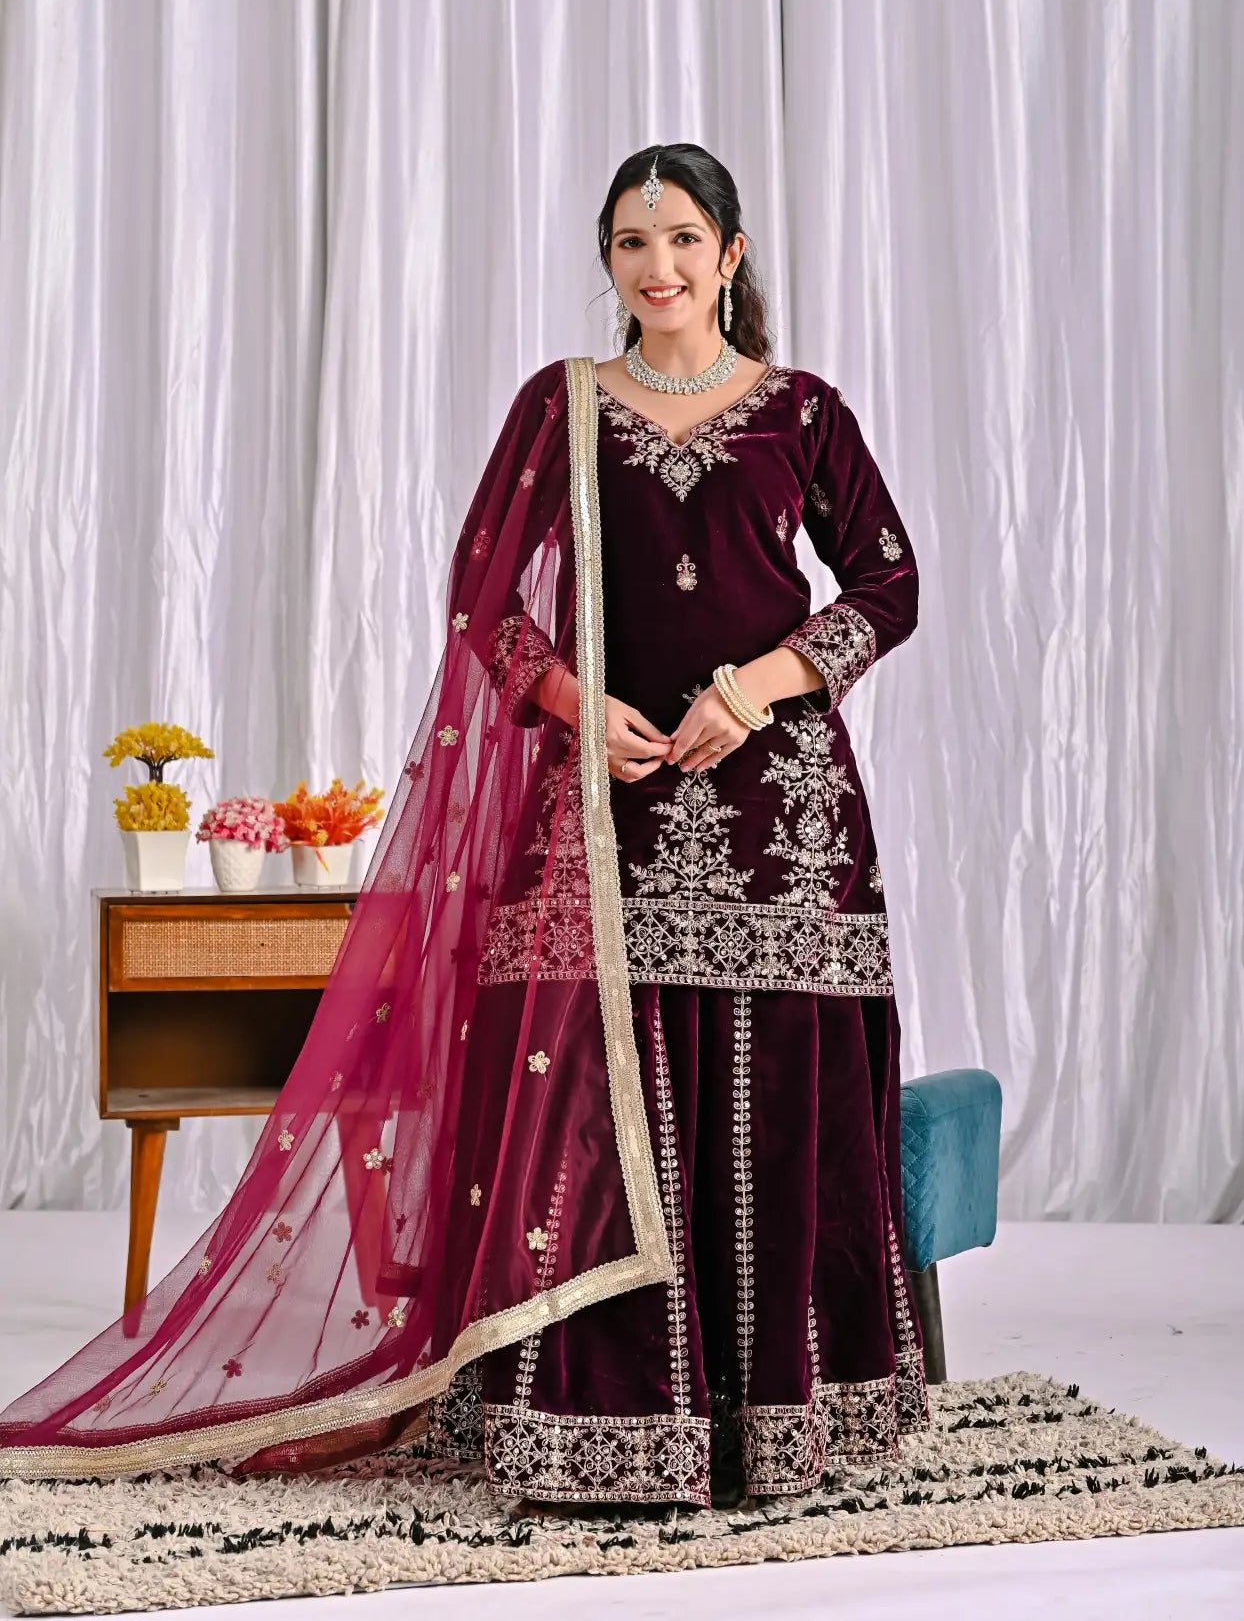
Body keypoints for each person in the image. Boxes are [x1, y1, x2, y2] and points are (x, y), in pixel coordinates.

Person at [0, 143, 926, 1511]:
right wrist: (572, 701)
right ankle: (601, 1421)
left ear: (731, 254)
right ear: (607, 261)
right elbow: (483, 602)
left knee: (769, 1092)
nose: (659, 267)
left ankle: (768, 1423)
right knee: (592, 1104)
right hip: (601, 804)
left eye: (684, 239)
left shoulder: (804, 412)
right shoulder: (562, 407)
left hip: (781, 815)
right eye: (632, 243)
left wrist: (756, 688)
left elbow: (890, 585)